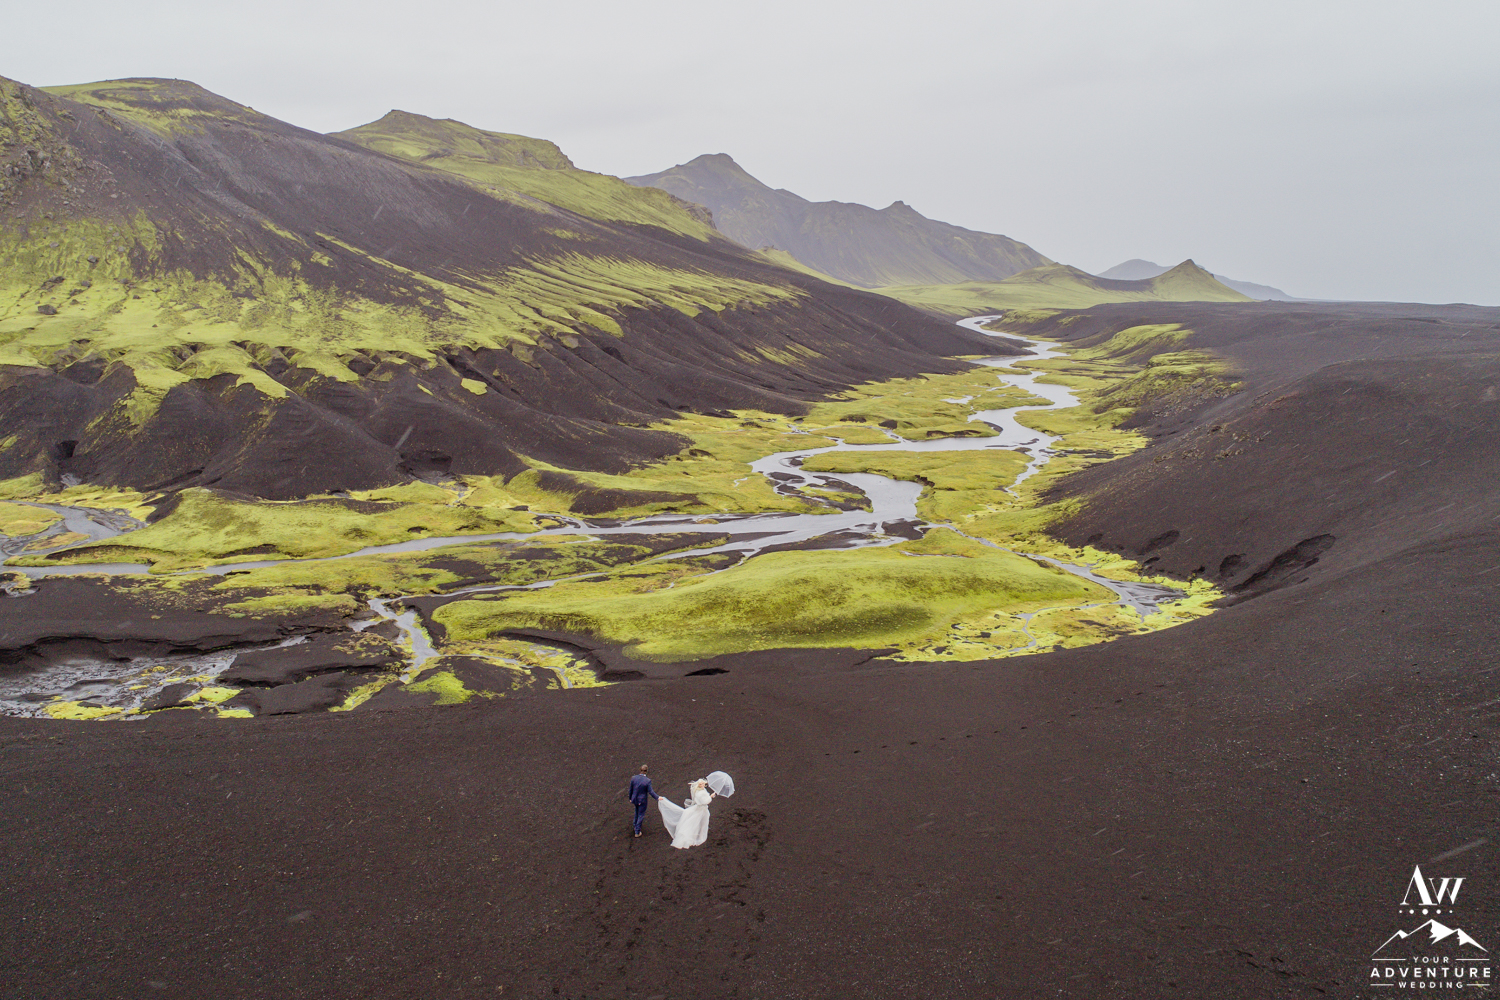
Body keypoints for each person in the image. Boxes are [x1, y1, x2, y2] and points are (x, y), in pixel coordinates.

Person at [657, 778, 716, 849]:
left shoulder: (701, 790)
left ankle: (700, 834)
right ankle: (699, 836)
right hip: (701, 809)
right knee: (700, 822)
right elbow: (705, 801)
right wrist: (711, 796)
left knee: (700, 822)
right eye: (701, 784)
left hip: (701, 809)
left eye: (703, 783)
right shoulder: (700, 793)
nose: (702, 785)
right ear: (699, 785)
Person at [627, 765, 659, 838]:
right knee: (641, 815)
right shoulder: (647, 781)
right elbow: (651, 792)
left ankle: (635, 825)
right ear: (646, 771)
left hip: (634, 799)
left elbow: (630, 789)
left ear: (640, 770)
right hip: (642, 801)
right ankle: (637, 831)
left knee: (636, 812)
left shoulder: (633, 778)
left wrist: (630, 798)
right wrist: (657, 798)